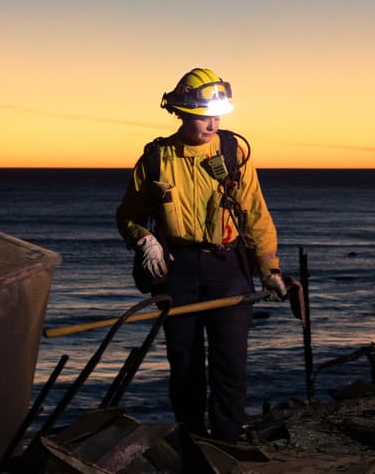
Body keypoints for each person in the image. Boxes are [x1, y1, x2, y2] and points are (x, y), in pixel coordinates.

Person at [116, 67, 287, 443]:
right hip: (177, 269)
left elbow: (256, 212)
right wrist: (145, 239)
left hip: (227, 266)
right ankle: (192, 440)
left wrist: (269, 269)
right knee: (185, 364)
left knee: (230, 365)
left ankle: (226, 442)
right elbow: (127, 215)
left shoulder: (232, 151)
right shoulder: (155, 158)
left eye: (218, 115)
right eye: (204, 116)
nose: (213, 123)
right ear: (182, 113)